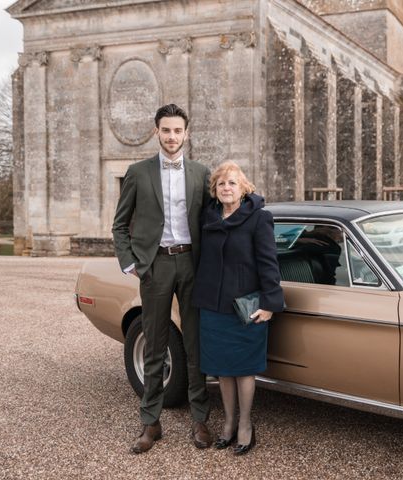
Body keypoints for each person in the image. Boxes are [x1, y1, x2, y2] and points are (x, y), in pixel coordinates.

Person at [112, 104, 212, 454]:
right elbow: (120, 224)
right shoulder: (138, 172)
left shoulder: (201, 173)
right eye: (166, 130)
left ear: (186, 133)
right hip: (155, 265)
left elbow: (215, 219)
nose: (172, 137)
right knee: (154, 343)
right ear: (157, 132)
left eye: (178, 131)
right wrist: (130, 262)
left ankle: (200, 418)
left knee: (195, 342)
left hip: (192, 264)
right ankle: (150, 422)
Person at [191, 161, 284, 455]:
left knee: (244, 370)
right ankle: (228, 423)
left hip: (246, 308)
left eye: (232, 183)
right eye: (221, 184)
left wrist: (270, 303)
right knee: (222, 370)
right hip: (212, 307)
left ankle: (245, 424)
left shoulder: (259, 219)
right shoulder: (208, 217)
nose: (227, 188)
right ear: (215, 191)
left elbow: (269, 263)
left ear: (244, 188)